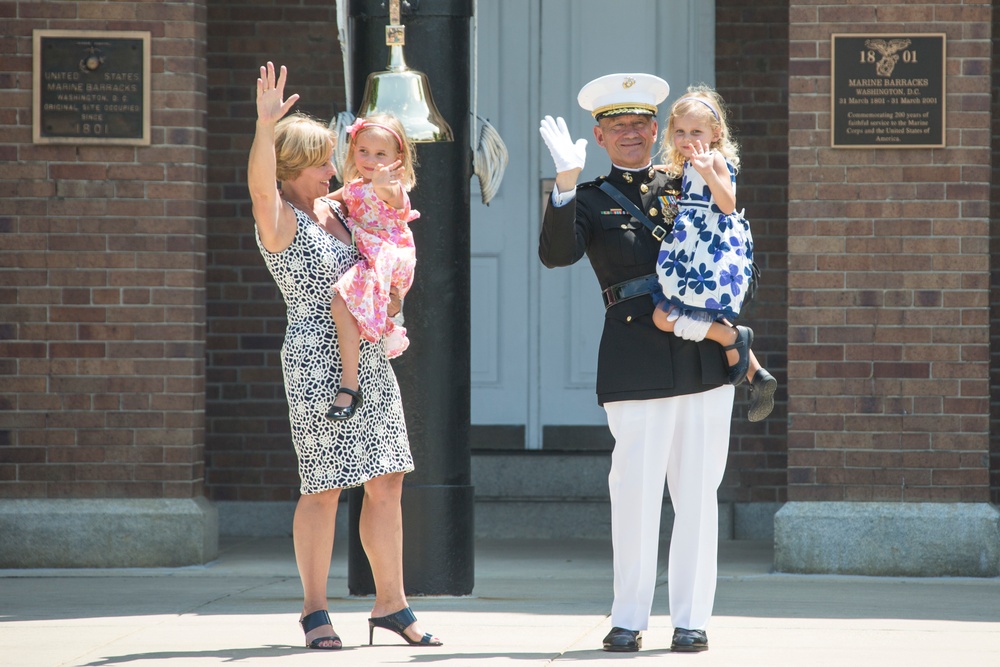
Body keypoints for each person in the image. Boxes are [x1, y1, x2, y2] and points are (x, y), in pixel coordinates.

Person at [248, 61, 441, 651]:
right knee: (324, 486)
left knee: (387, 480)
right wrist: (265, 125)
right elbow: (258, 184)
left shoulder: (338, 210)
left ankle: (393, 604)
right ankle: (314, 610)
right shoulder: (278, 218)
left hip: (368, 353)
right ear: (292, 170)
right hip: (313, 358)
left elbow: (388, 234)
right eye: (323, 161)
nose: (336, 167)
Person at [538, 73, 730, 653]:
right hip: (634, 357)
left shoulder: (690, 182)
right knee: (636, 494)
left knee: (696, 494)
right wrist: (564, 185)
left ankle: (692, 619)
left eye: (641, 123)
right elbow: (557, 255)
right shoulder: (592, 197)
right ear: (599, 135)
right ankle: (629, 617)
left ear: (657, 129)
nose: (631, 134)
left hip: (700, 355)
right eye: (617, 126)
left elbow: (725, 244)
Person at [650, 86, 776, 422]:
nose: (687, 138)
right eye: (680, 132)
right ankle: (755, 373)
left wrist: (707, 171)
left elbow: (727, 203)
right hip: (692, 249)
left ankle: (733, 340)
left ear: (715, 133)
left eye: (696, 131)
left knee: (664, 316)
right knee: (697, 312)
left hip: (708, 250)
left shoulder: (714, 160)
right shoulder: (691, 163)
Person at [325, 112, 419, 422]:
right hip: (370, 258)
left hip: (388, 260)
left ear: (397, 158)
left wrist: (384, 184)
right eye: (363, 151)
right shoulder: (353, 187)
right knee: (345, 306)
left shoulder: (391, 188)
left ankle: (349, 385)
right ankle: (389, 323)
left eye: (381, 154)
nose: (371, 159)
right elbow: (323, 202)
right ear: (352, 150)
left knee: (342, 301)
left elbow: (392, 197)